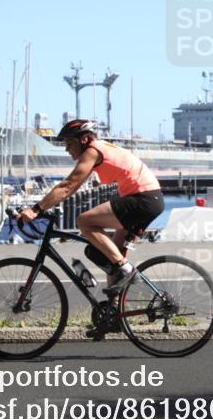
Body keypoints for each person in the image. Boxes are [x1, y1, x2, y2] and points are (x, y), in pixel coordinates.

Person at [16, 118, 164, 294]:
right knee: (113, 258)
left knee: (84, 221)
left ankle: (128, 271)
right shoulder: (102, 148)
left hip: (143, 199)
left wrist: (36, 209)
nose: (66, 149)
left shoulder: (93, 151)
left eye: (69, 143)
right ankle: (114, 315)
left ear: (84, 140)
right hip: (150, 200)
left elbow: (68, 186)